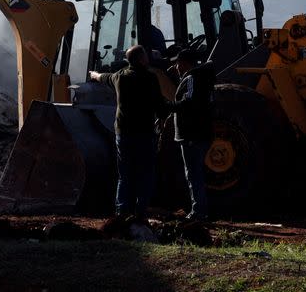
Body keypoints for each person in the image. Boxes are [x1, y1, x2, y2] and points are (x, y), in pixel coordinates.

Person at [89, 45, 167, 219]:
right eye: (146, 56)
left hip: (123, 133)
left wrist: (93, 75)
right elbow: (159, 105)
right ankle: (141, 211)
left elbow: (103, 77)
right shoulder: (150, 78)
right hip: (145, 133)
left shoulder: (120, 77)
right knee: (145, 173)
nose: (148, 59)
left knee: (125, 175)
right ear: (141, 59)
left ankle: (122, 211)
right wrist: (165, 118)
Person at [170, 49, 215, 221]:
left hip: (192, 135)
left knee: (193, 174)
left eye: (177, 63)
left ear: (185, 63)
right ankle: (200, 209)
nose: (175, 67)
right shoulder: (204, 77)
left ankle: (198, 212)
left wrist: (168, 106)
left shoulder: (192, 78)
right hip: (201, 132)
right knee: (196, 173)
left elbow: (188, 103)